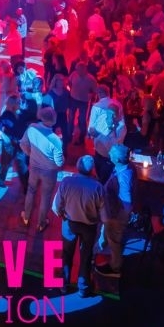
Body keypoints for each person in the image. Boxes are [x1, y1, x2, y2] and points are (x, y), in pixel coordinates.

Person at [52, 155, 104, 297]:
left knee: (67, 254)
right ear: (92, 170)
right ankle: (83, 288)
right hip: (89, 227)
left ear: (77, 166)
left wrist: (62, 214)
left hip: (69, 223)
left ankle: (64, 285)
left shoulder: (67, 182)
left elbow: (57, 206)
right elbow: (104, 215)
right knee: (86, 257)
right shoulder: (98, 187)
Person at [20, 106, 64, 232]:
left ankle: (26, 217)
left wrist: (31, 154)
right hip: (49, 171)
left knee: (31, 191)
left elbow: (23, 144)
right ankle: (40, 223)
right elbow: (59, 162)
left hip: (34, 167)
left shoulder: (32, 128)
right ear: (54, 120)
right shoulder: (55, 139)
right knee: (46, 196)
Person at [95, 144, 134, 278]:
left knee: (115, 241)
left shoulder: (123, 178)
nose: (109, 153)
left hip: (116, 216)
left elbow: (127, 202)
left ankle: (115, 268)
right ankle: (104, 249)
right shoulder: (123, 167)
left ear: (117, 159)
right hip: (112, 212)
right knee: (110, 236)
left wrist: (118, 218)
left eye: (111, 152)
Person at [0, 95, 28, 191]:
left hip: (20, 144)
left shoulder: (23, 113)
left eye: (20, 102)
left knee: (22, 165)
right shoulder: (6, 115)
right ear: (13, 105)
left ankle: (26, 186)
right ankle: (0, 180)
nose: (20, 103)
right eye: (18, 102)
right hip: (9, 145)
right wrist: (4, 137)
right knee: (5, 164)